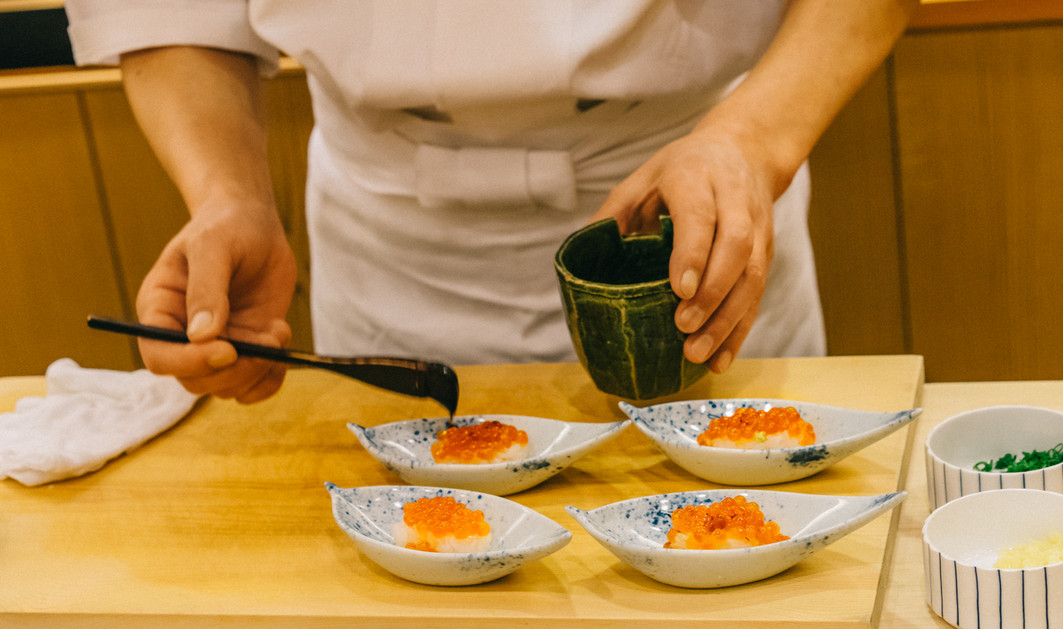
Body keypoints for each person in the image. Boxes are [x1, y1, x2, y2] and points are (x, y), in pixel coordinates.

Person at [66, 0, 918, 403]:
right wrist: (229, 194)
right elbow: (173, 12)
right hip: (389, 233)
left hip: (686, 200)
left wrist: (749, 142)